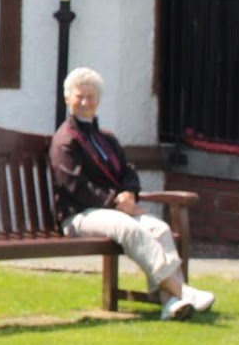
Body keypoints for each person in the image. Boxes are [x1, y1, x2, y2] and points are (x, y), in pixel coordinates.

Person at [51, 66, 215, 321]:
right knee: (129, 228)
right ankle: (182, 291)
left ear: (98, 100)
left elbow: (127, 171)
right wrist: (116, 202)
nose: (85, 102)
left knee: (159, 228)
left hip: (114, 210)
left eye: (91, 96)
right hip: (78, 216)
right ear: (67, 98)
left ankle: (170, 303)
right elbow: (73, 185)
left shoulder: (106, 138)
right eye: (79, 96)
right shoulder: (64, 141)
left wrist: (129, 193)